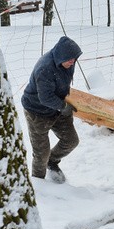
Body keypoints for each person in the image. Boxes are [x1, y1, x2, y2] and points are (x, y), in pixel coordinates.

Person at [21, 36, 83, 183]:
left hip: (58, 108)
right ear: (61, 56)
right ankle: (39, 183)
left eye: (74, 59)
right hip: (37, 112)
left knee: (71, 140)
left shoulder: (67, 61)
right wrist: (63, 106)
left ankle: (52, 161)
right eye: (70, 59)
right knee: (41, 153)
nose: (73, 62)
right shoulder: (45, 68)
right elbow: (45, 98)